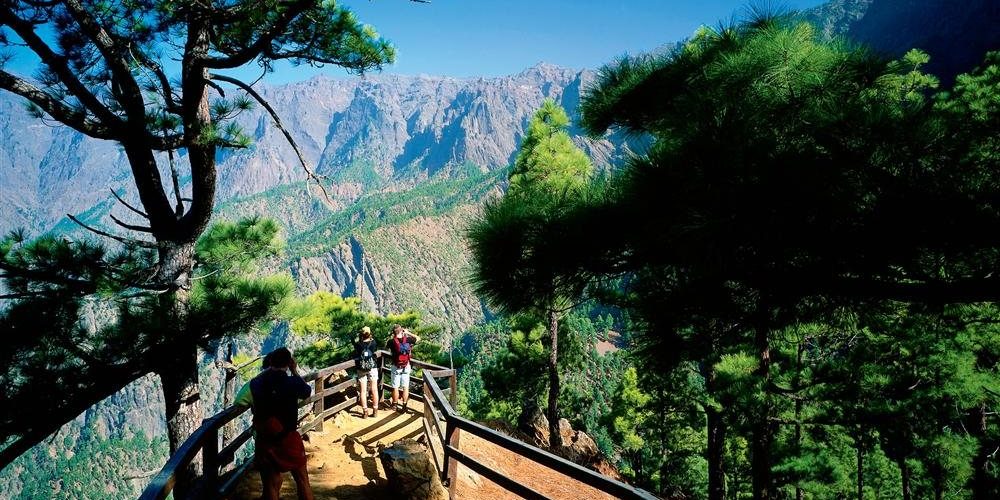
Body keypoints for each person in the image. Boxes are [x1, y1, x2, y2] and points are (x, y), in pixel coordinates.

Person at [234, 347, 314, 500]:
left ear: (270, 361)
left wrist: (264, 375)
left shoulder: (255, 384)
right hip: (290, 438)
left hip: (266, 441)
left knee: (271, 485)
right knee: (303, 481)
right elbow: (307, 392)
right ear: (289, 363)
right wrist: (295, 371)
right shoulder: (293, 382)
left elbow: (239, 401)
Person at [385, 324, 420, 412]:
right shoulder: (408, 339)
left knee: (395, 387)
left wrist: (392, 336)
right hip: (406, 366)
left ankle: (394, 405)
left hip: (396, 366)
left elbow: (386, 346)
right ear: (401, 331)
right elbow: (418, 338)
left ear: (393, 332)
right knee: (405, 387)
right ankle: (404, 406)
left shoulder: (391, 341)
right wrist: (408, 333)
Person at [354, 326, 380, 418]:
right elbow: (374, 348)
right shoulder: (373, 343)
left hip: (361, 369)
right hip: (372, 367)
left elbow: (356, 352)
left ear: (361, 334)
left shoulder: (358, 344)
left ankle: (365, 412)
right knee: (374, 389)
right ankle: (375, 410)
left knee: (363, 391)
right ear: (369, 334)